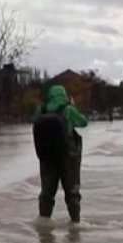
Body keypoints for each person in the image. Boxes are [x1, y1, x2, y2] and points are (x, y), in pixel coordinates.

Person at [32, 84, 88, 222]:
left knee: (47, 193)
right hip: (67, 156)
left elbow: (34, 123)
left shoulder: (41, 110)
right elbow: (83, 122)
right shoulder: (68, 109)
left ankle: (43, 223)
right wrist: (73, 106)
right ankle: (75, 224)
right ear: (64, 95)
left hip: (46, 157)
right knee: (72, 192)